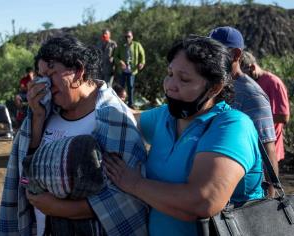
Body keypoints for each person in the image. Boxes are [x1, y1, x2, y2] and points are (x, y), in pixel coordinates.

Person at [105, 36, 264, 236]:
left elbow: (203, 201)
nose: (170, 84)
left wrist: (134, 184)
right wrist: (98, 93)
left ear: (215, 87)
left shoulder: (232, 126)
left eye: (184, 79)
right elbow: (129, 117)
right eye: (169, 74)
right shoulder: (166, 116)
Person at [0, 35, 148, 236]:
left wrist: (60, 209)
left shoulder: (113, 118)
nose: (45, 84)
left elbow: (125, 197)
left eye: (51, 74)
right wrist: (38, 118)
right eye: (41, 76)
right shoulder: (45, 110)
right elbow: (26, 171)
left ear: (78, 71)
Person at [209, 26, 279, 196]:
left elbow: (268, 147)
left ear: (236, 54)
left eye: (216, 51)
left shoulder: (251, 94)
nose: (209, 57)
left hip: (244, 197)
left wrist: (271, 197)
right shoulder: (214, 85)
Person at [241, 51, 290, 162]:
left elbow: (283, 117)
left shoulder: (273, 82)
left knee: (269, 179)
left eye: (243, 74)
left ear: (252, 67)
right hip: (250, 147)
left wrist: (251, 119)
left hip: (268, 146)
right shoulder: (246, 84)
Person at [114, 30, 145, 109]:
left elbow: (142, 55)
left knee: (130, 87)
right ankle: (120, 103)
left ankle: (131, 104)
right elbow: (115, 57)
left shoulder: (137, 45)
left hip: (132, 70)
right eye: (126, 36)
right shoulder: (121, 45)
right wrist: (120, 62)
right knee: (121, 87)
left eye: (129, 36)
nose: (127, 38)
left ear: (132, 37)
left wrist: (142, 63)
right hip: (122, 70)